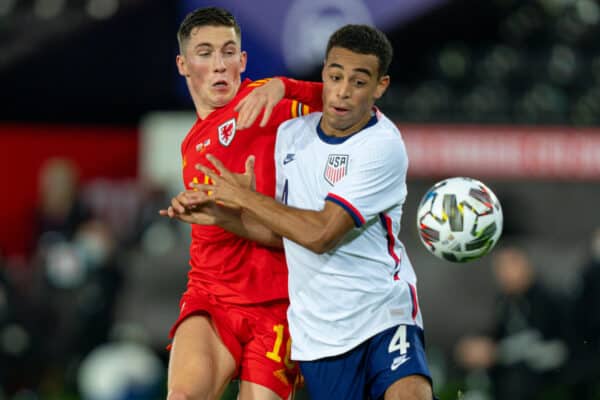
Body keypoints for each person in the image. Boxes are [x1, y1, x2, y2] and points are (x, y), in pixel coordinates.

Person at [165, 24, 435, 400]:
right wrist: (220, 216)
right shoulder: (291, 135)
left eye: (227, 52)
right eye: (335, 77)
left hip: (379, 312)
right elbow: (283, 231)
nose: (342, 90)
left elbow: (321, 235)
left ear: (380, 87)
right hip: (318, 330)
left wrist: (284, 86)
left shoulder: (380, 146)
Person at [161, 7, 323, 400]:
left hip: (278, 305)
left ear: (243, 61)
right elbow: (223, 228)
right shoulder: (190, 147)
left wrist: (286, 86)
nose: (219, 65)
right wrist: (209, 214)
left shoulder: (267, 101)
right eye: (205, 53)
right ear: (183, 65)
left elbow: (360, 106)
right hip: (211, 294)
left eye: (228, 51)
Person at [453, 245, 569, 400]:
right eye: (499, 268)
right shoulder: (505, 301)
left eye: (509, 265)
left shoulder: (546, 297)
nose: (504, 273)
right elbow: (497, 333)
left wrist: (496, 352)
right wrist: (476, 346)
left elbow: (541, 340)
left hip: (546, 371)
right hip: (511, 371)